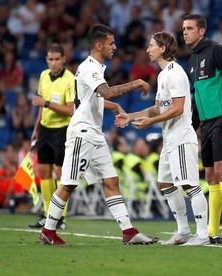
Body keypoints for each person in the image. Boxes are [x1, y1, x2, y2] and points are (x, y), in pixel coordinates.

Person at [39, 24, 157, 246]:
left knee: (111, 180)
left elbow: (93, 99)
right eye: (111, 43)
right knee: (68, 184)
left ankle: (129, 231)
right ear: (98, 45)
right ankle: (48, 230)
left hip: (94, 133)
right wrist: (137, 82)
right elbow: (107, 91)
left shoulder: (97, 68)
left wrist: (114, 108)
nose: (115, 47)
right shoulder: (89, 67)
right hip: (82, 133)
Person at [116, 32, 209, 245]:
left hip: (182, 137)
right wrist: (131, 117)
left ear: (163, 48)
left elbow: (177, 109)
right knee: (165, 183)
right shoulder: (163, 74)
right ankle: (183, 231)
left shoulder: (175, 73)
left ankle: (202, 234)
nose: (148, 49)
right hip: (169, 138)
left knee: (189, 184)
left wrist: (152, 122)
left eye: (151, 45)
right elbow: (158, 108)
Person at [182, 14, 222, 244]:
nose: (185, 32)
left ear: (202, 31)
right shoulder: (192, 61)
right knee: (209, 175)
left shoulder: (218, 51)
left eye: (190, 28)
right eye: (183, 28)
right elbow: (198, 98)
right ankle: (211, 231)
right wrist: (192, 128)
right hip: (207, 123)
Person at [29, 44, 75, 230]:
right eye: (50, 59)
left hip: (62, 130)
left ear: (63, 59)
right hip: (46, 129)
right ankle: (47, 214)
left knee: (59, 174)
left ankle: (60, 216)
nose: (53, 62)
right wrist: (36, 127)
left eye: (57, 59)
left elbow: (71, 110)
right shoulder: (43, 76)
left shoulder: (70, 79)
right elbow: (41, 106)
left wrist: (46, 103)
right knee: (44, 172)